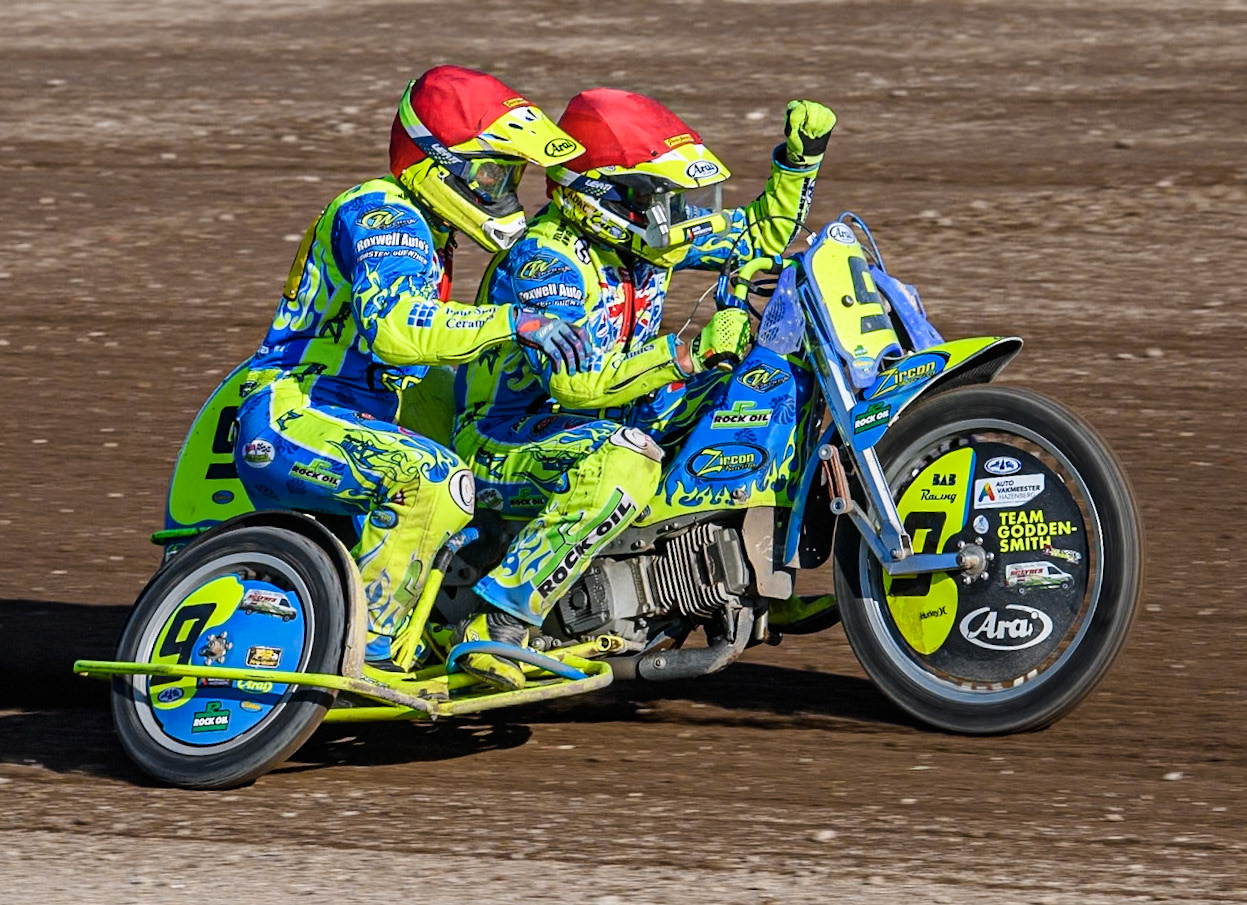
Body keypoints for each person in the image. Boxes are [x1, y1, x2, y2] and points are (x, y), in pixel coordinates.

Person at [451, 87, 836, 688]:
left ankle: (757, 578)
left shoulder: (644, 237)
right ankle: (496, 620)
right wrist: (686, 355)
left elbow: (759, 235)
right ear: (600, 197)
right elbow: (576, 385)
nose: (674, 214)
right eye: (657, 197)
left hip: (622, 408)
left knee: (770, 392)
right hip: (509, 442)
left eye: (674, 197)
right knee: (623, 461)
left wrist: (797, 162)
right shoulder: (547, 264)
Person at [233, 65, 589, 665]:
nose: (505, 193)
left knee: (481, 459)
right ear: (438, 163)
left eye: (512, 177)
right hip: (295, 412)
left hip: (348, 418)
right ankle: (363, 650)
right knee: (427, 478)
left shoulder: (428, 230)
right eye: (491, 174)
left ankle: (452, 621)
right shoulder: (384, 214)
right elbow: (398, 331)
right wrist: (516, 322)